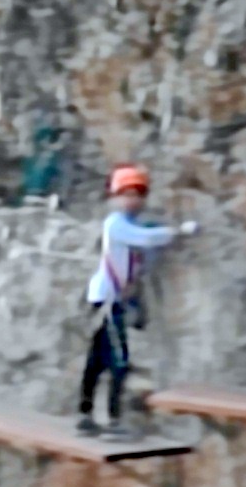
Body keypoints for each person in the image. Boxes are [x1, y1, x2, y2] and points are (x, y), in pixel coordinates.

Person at [77, 164, 193, 434]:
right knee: (117, 359)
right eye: (126, 194)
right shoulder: (116, 224)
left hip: (109, 300)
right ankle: (111, 419)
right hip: (106, 301)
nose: (132, 200)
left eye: (137, 194)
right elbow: (145, 239)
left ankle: (86, 414)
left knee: (98, 359)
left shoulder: (129, 224)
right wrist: (179, 231)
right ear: (115, 198)